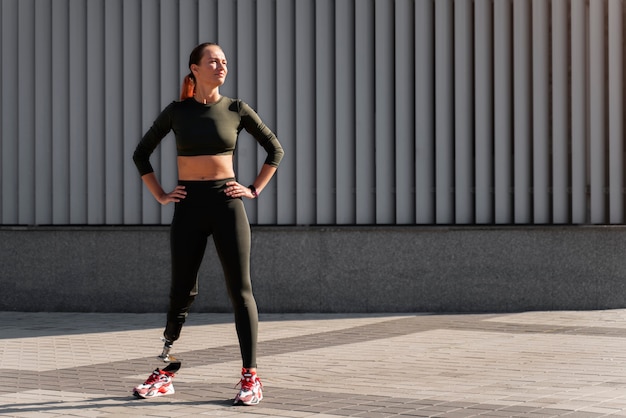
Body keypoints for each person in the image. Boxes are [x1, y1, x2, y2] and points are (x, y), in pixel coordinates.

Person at [132, 42, 284, 406]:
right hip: (188, 206)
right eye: (213, 61)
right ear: (194, 68)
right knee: (181, 290)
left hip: (226, 204)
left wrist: (252, 189)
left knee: (240, 290)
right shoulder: (177, 112)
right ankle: (165, 368)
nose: (222, 66)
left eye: (225, 62)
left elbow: (274, 148)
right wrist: (161, 195)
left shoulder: (236, 109)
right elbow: (141, 153)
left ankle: (251, 376)